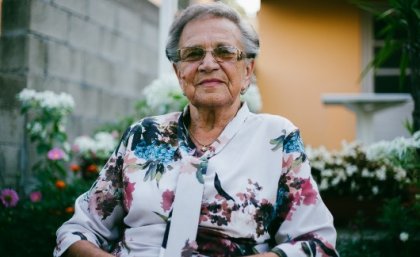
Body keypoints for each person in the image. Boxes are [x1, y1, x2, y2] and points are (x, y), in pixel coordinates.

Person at [54, 2, 339, 257]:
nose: (207, 64)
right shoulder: (144, 135)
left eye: (225, 52)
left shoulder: (276, 138)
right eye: (193, 54)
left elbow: (315, 242)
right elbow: (77, 231)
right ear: (179, 74)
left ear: (248, 71)